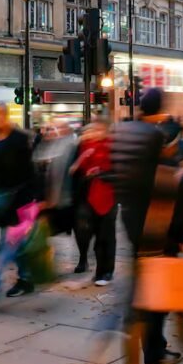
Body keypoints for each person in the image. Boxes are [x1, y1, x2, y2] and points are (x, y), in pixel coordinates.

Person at [109, 88, 183, 364]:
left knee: (144, 277)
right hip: (152, 219)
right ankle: (154, 350)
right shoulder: (154, 136)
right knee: (158, 284)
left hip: (128, 216)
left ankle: (142, 334)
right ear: (160, 109)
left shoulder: (122, 130)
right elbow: (164, 173)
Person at [0, 103, 38, 318]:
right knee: (5, 250)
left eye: (1, 113)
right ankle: (27, 278)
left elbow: (31, 172)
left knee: (3, 253)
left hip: (20, 205)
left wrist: (38, 201)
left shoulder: (20, 139)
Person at [71, 120, 117, 285]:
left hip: (107, 196)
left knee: (105, 236)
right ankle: (99, 270)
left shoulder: (112, 147)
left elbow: (119, 172)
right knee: (90, 233)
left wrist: (100, 173)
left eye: (98, 129)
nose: (94, 133)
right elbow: (74, 170)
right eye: (92, 130)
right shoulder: (83, 146)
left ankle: (106, 272)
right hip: (87, 195)